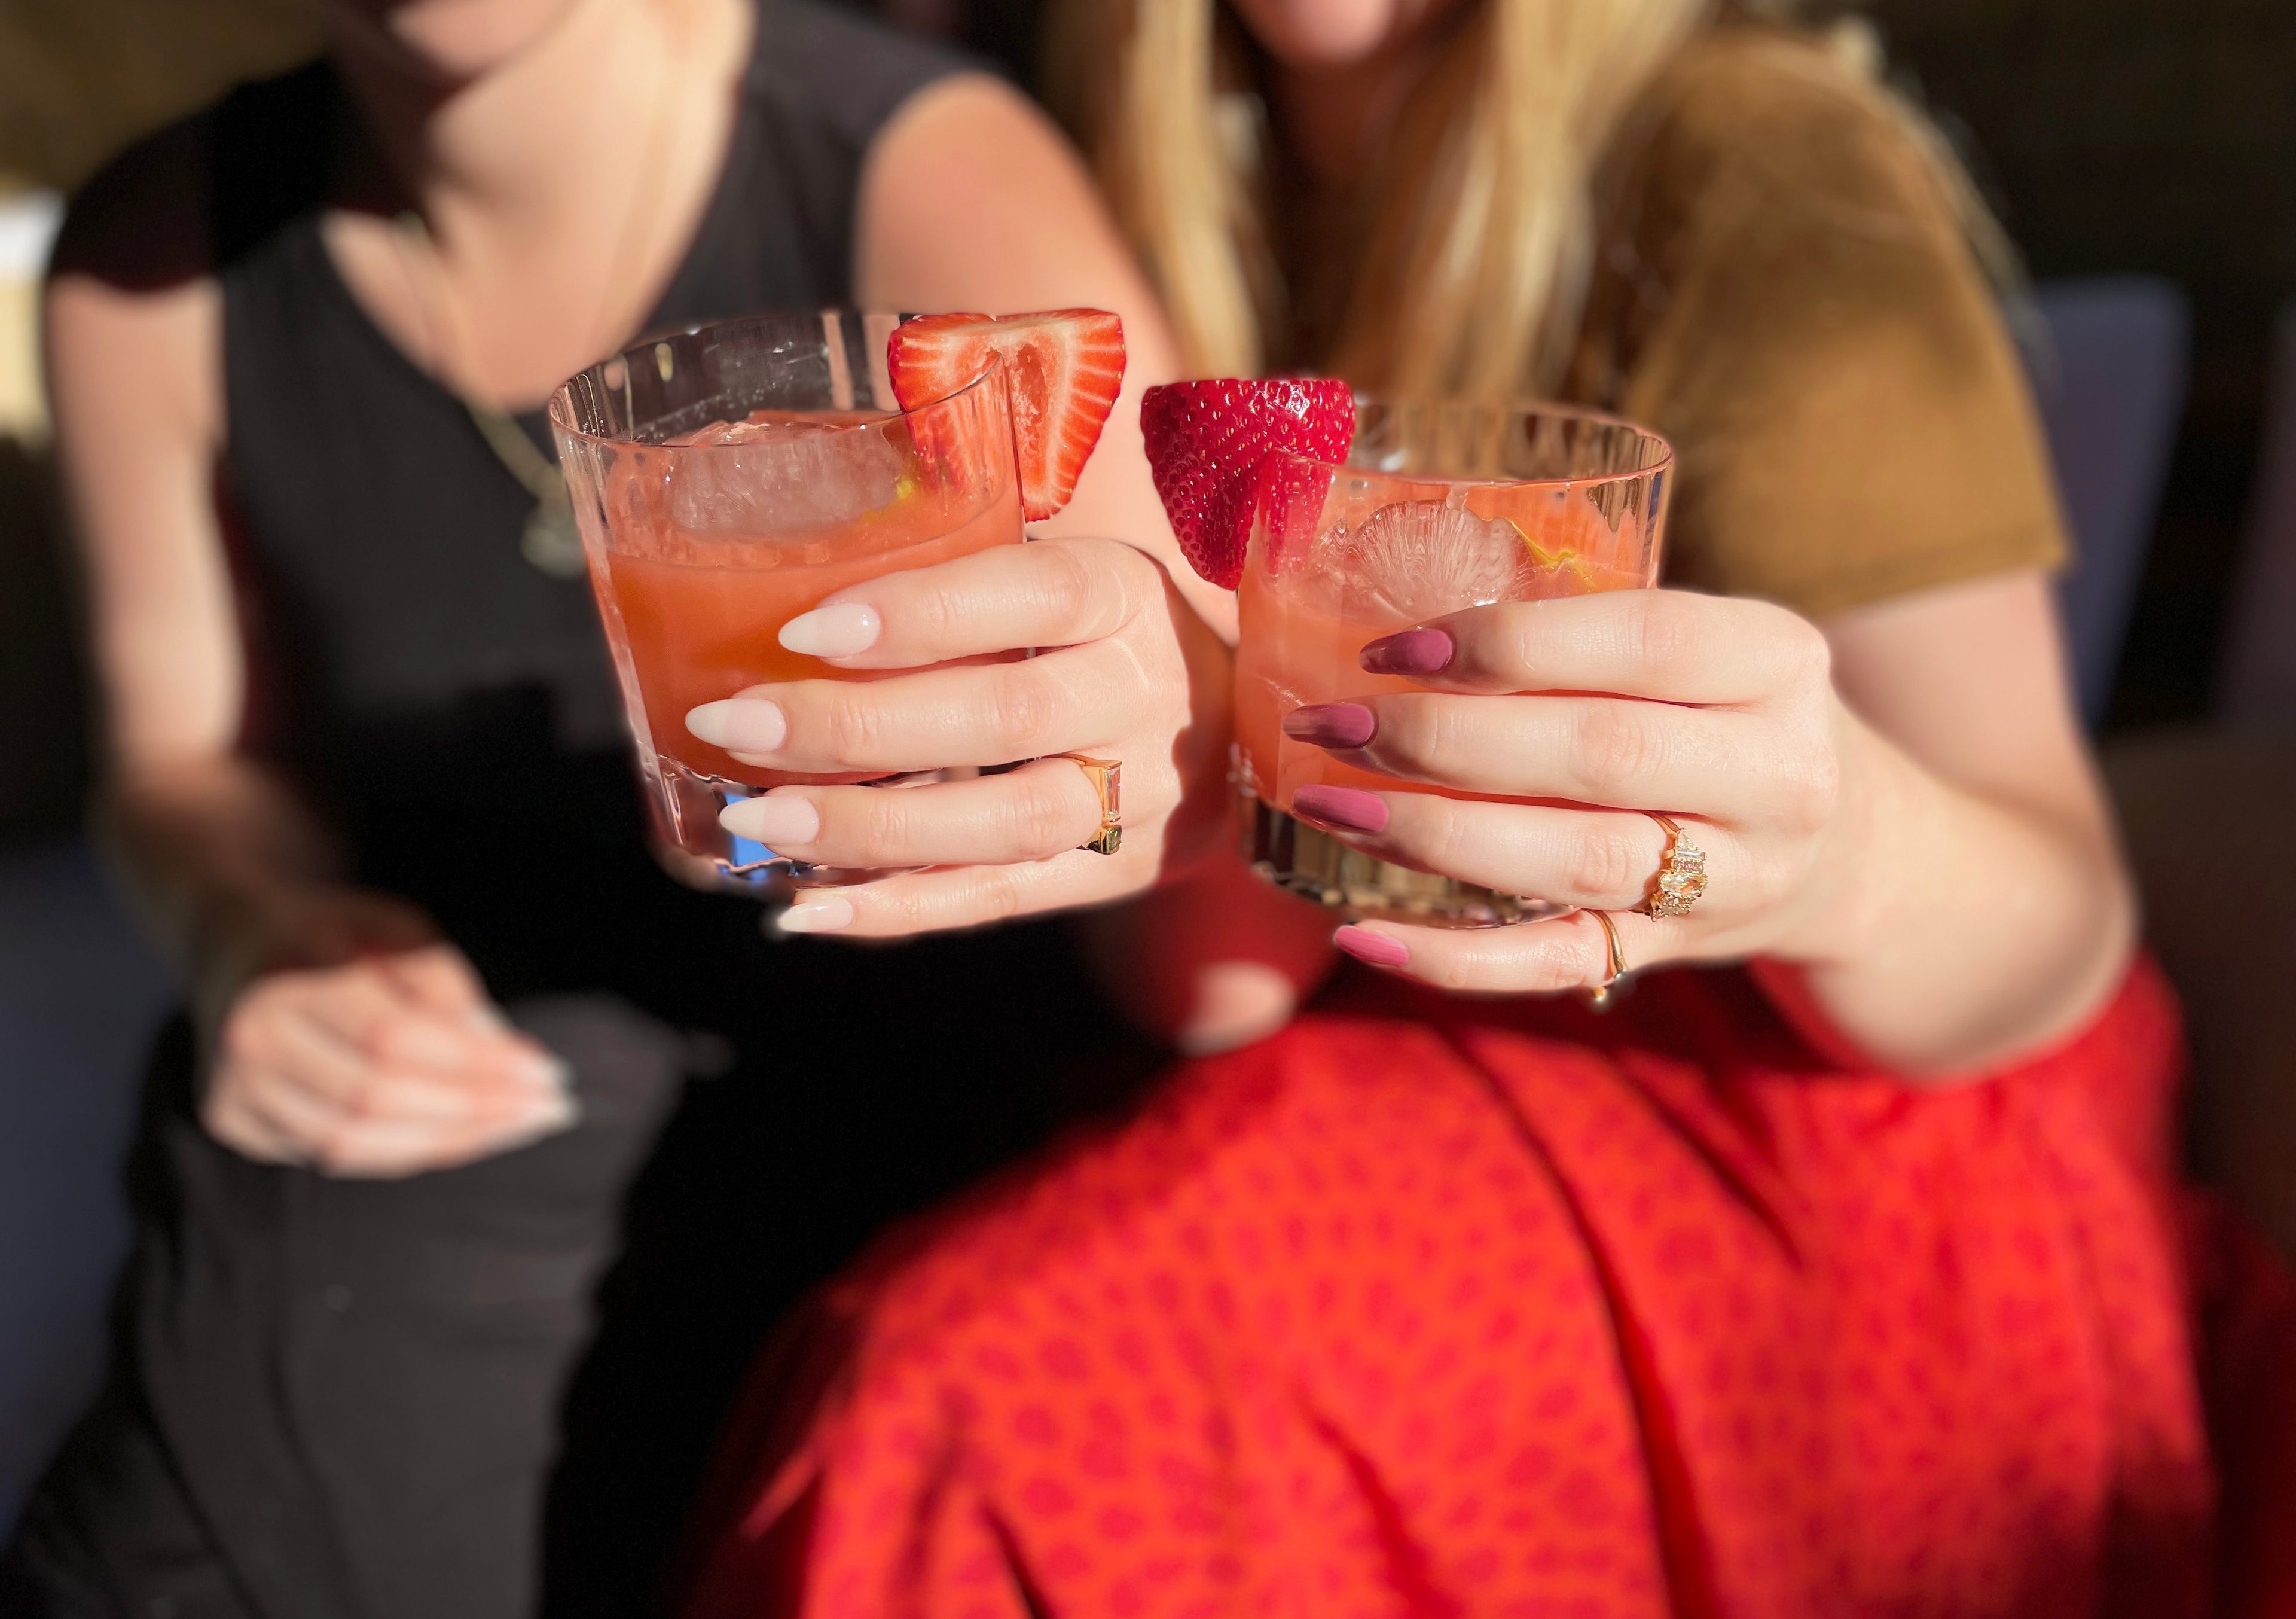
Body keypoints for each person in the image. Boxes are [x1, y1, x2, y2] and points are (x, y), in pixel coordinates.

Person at [675, 0, 2296, 1612]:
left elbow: (2060, 924)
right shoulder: (1065, 149)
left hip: (1837, 1119)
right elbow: (1217, 980)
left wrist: (1835, 849)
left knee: (960, 1404)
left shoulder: (1760, 168)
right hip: (1374, 1035)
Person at [0, 0, 1244, 1613]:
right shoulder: (148, 263)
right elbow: (182, 761)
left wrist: (1138, 765)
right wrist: (260, 930)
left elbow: (1167, 761)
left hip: (874, 1091)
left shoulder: (912, 166)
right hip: (444, 1119)